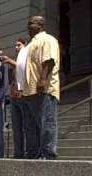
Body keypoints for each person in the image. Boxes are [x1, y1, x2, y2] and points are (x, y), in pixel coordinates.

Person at [22, 15, 60, 159]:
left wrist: (42, 79)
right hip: (30, 91)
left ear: (40, 25)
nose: (28, 26)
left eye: (30, 23)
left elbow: (49, 61)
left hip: (44, 89)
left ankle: (48, 154)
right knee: (34, 125)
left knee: (47, 122)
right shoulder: (31, 44)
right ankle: (36, 153)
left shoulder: (48, 39)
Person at [3, 38, 29, 158]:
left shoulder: (26, 58)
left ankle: (30, 151)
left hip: (24, 96)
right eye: (16, 45)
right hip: (14, 98)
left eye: (19, 45)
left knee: (27, 126)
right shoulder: (14, 62)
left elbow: (25, 69)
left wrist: (10, 61)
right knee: (16, 127)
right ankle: (18, 153)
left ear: (25, 45)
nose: (16, 47)